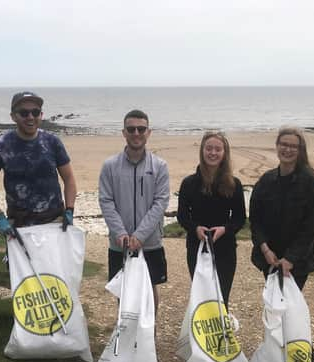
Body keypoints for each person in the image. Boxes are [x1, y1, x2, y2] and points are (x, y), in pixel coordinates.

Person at [99, 109, 170, 313]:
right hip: (119, 243)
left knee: (150, 287)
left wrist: (140, 235)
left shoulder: (160, 166)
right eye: (131, 129)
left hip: (150, 242)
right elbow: (106, 201)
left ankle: (150, 336)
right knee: (123, 290)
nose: (136, 133)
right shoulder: (110, 166)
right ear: (124, 132)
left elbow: (160, 203)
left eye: (141, 129)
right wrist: (120, 233)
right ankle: (126, 335)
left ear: (149, 132)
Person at [0, 91, 77, 236]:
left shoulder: (52, 142)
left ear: (41, 115)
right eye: (24, 113)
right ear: (13, 116)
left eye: (35, 112)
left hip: (55, 222)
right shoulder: (1, 146)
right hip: (18, 226)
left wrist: (69, 209)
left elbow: (69, 178)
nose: (30, 117)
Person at [249, 125, 314, 290]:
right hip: (271, 257)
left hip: (298, 260)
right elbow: (255, 220)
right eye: (283, 144)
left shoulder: (309, 182)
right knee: (274, 303)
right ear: (277, 146)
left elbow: (312, 226)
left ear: (300, 150)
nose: (287, 149)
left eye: (293, 146)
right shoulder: (265, 181)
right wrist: (265, 249)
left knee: (290, 307)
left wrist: (290, 259)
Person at [177, 131, 246, 308]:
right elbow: (183, 216)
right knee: (201, 294)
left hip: (225, 248)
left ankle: (221, 333)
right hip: (197, 246)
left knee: (222, 295)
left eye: (218, 149)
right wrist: (195, 229)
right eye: (209, 148)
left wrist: (225, 229)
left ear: (224, 153)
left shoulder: (234, 184)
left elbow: (239, 218)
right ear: (202, 151)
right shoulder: (189, 183)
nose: (213, 153)